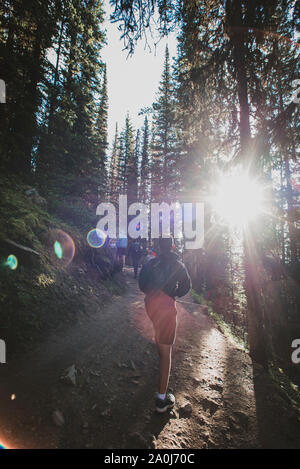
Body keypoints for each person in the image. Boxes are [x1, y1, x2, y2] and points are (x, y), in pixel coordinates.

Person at [138, 236, 191, 413]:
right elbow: (186, 286)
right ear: (173, 247)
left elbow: (141, 285)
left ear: (159, 248)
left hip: (150, 305)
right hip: (167, 307)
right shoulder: (179, 265)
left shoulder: (150, 263)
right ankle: (161, 401)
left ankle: (161, 376)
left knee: (161, 339)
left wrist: (154, 293)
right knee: (166, 353)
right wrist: (172, 294)